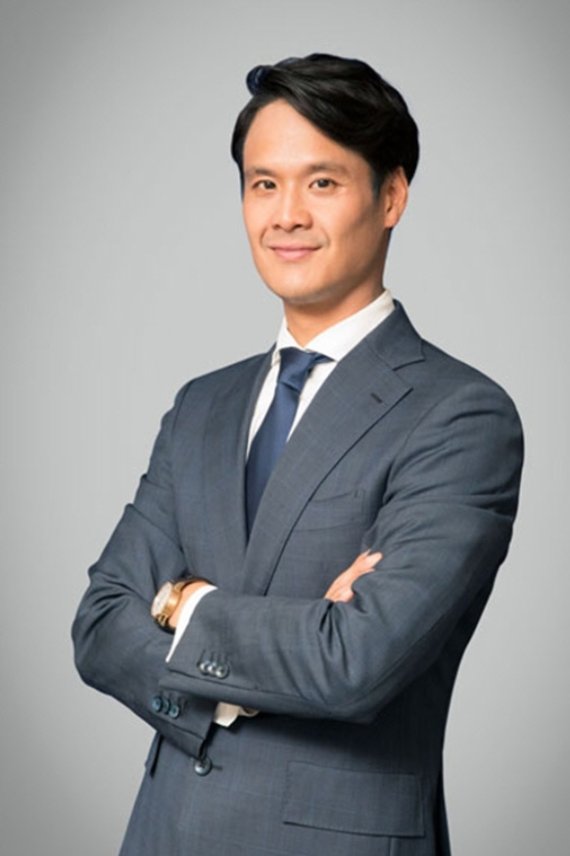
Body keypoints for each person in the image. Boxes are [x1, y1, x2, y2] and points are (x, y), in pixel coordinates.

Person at [72, 53, 523, 856]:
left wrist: (180, 603)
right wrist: (276, 647)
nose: (286, 215)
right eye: (263, 184)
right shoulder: (201, 407)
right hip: (163, 834)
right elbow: (101, 624)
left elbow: (356, 662)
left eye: (321, 182)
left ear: (391, 196)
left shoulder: (460, 416)